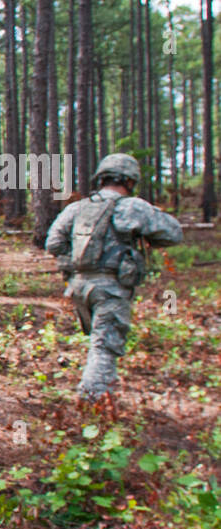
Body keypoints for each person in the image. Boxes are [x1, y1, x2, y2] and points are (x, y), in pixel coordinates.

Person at [45, 153, 182, 401]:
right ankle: (92, 403)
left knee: (98, 342)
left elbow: (53, 242)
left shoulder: (78, 207)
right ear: (130, 181)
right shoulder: (131, 206)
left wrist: (76, 263)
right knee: (104, 346)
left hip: (79, 287)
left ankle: (98, 397)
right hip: (111, 288)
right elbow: (172, 233)